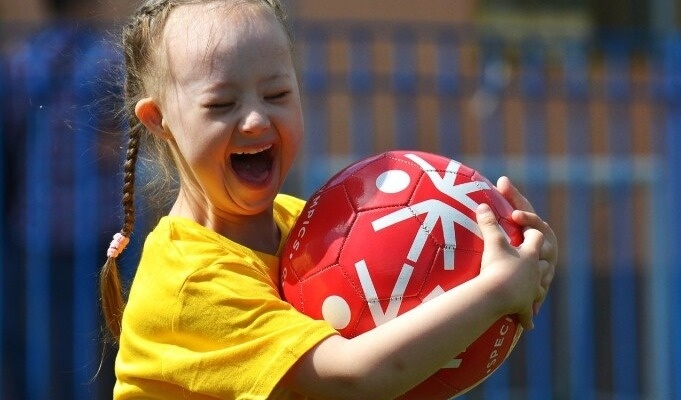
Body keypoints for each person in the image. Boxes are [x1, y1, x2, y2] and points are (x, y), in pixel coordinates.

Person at [98, 0, 558, 398]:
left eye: (277, 93)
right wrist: (496, 291)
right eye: (221, 105)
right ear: (159, 120)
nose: (257, 118)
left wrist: (520, 262)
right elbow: (352, 378)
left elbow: (422, 323)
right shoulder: (189, 282)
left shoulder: (309, 225)